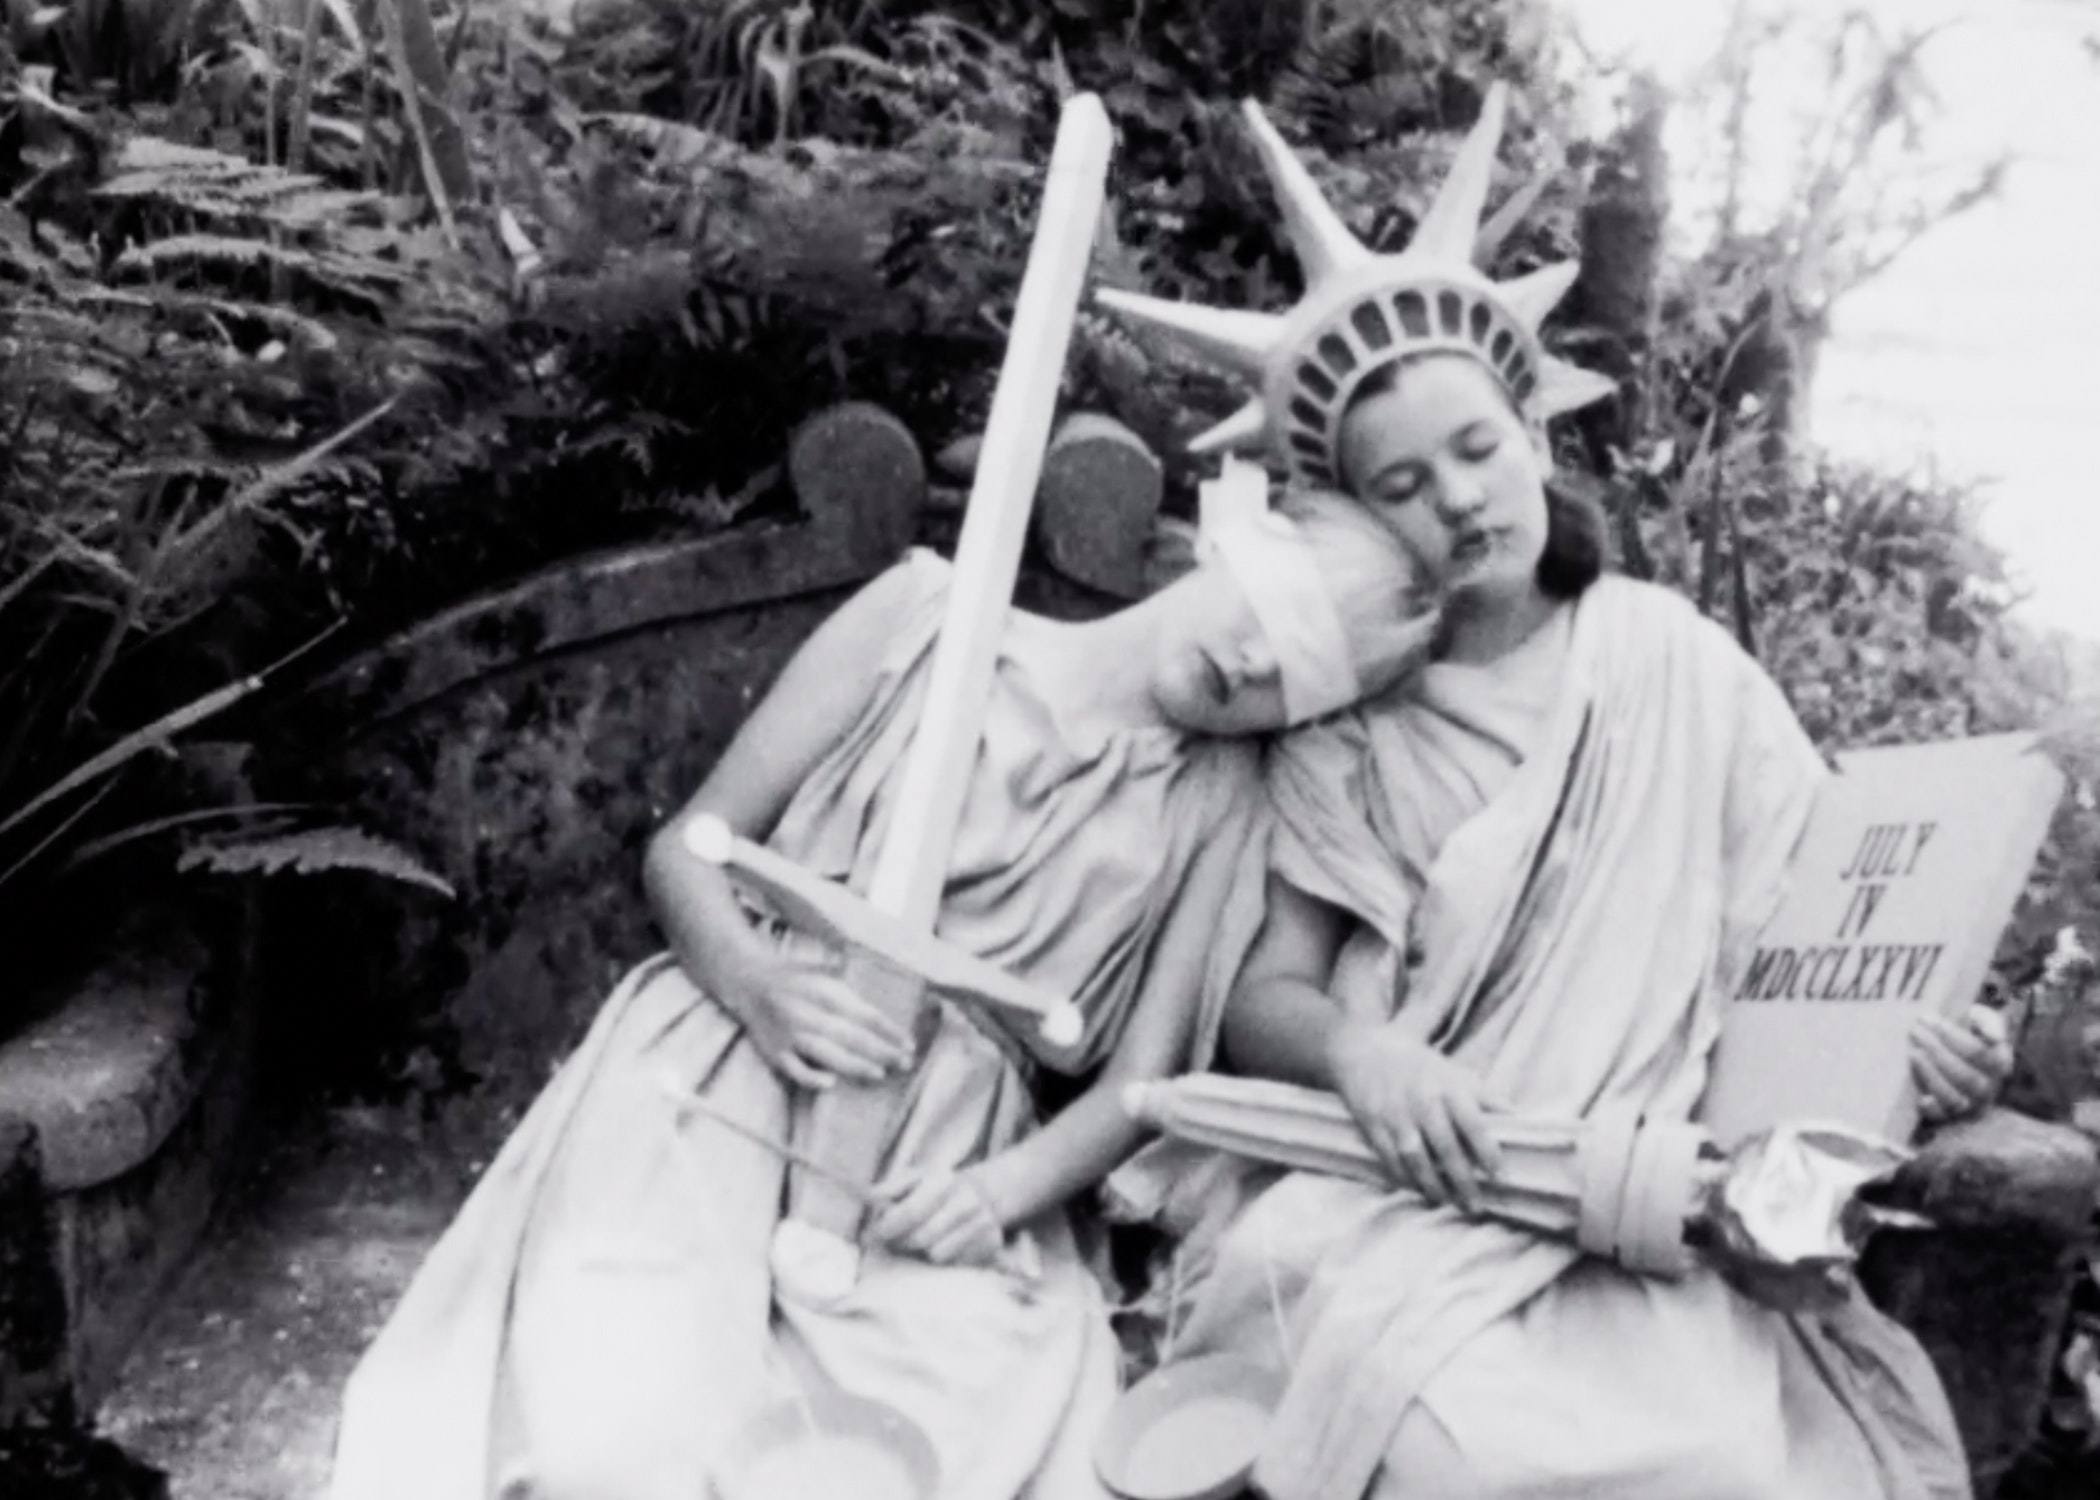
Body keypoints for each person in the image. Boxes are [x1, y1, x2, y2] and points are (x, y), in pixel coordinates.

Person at [1099, 84, 2011, 1500]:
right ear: (1349, 515)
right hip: (1416, 1182)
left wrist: (1940, 1045)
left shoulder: (1673, 664)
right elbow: (1266, 992)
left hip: (1653, 1195)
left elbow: (1823, 940)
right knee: (1452, 1447)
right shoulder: (1350, 730)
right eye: (1401, 482)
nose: (1458, 500)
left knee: (1718, 1462)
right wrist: (1364, 1056)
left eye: (1476, 450)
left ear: (1535, 439)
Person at [325, 479, 1440, 1500]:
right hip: (718, 1063)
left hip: (945, 1152)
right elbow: (688, 852)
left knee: (957, 1456)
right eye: (1272, 613)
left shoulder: (1220, 803)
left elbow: (1138, 1084)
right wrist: (758, 984)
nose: (1253, 662)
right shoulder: (922, 618)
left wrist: (1003, 1193)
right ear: (1231, 545)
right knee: (612, 1449)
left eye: (1298, 676)